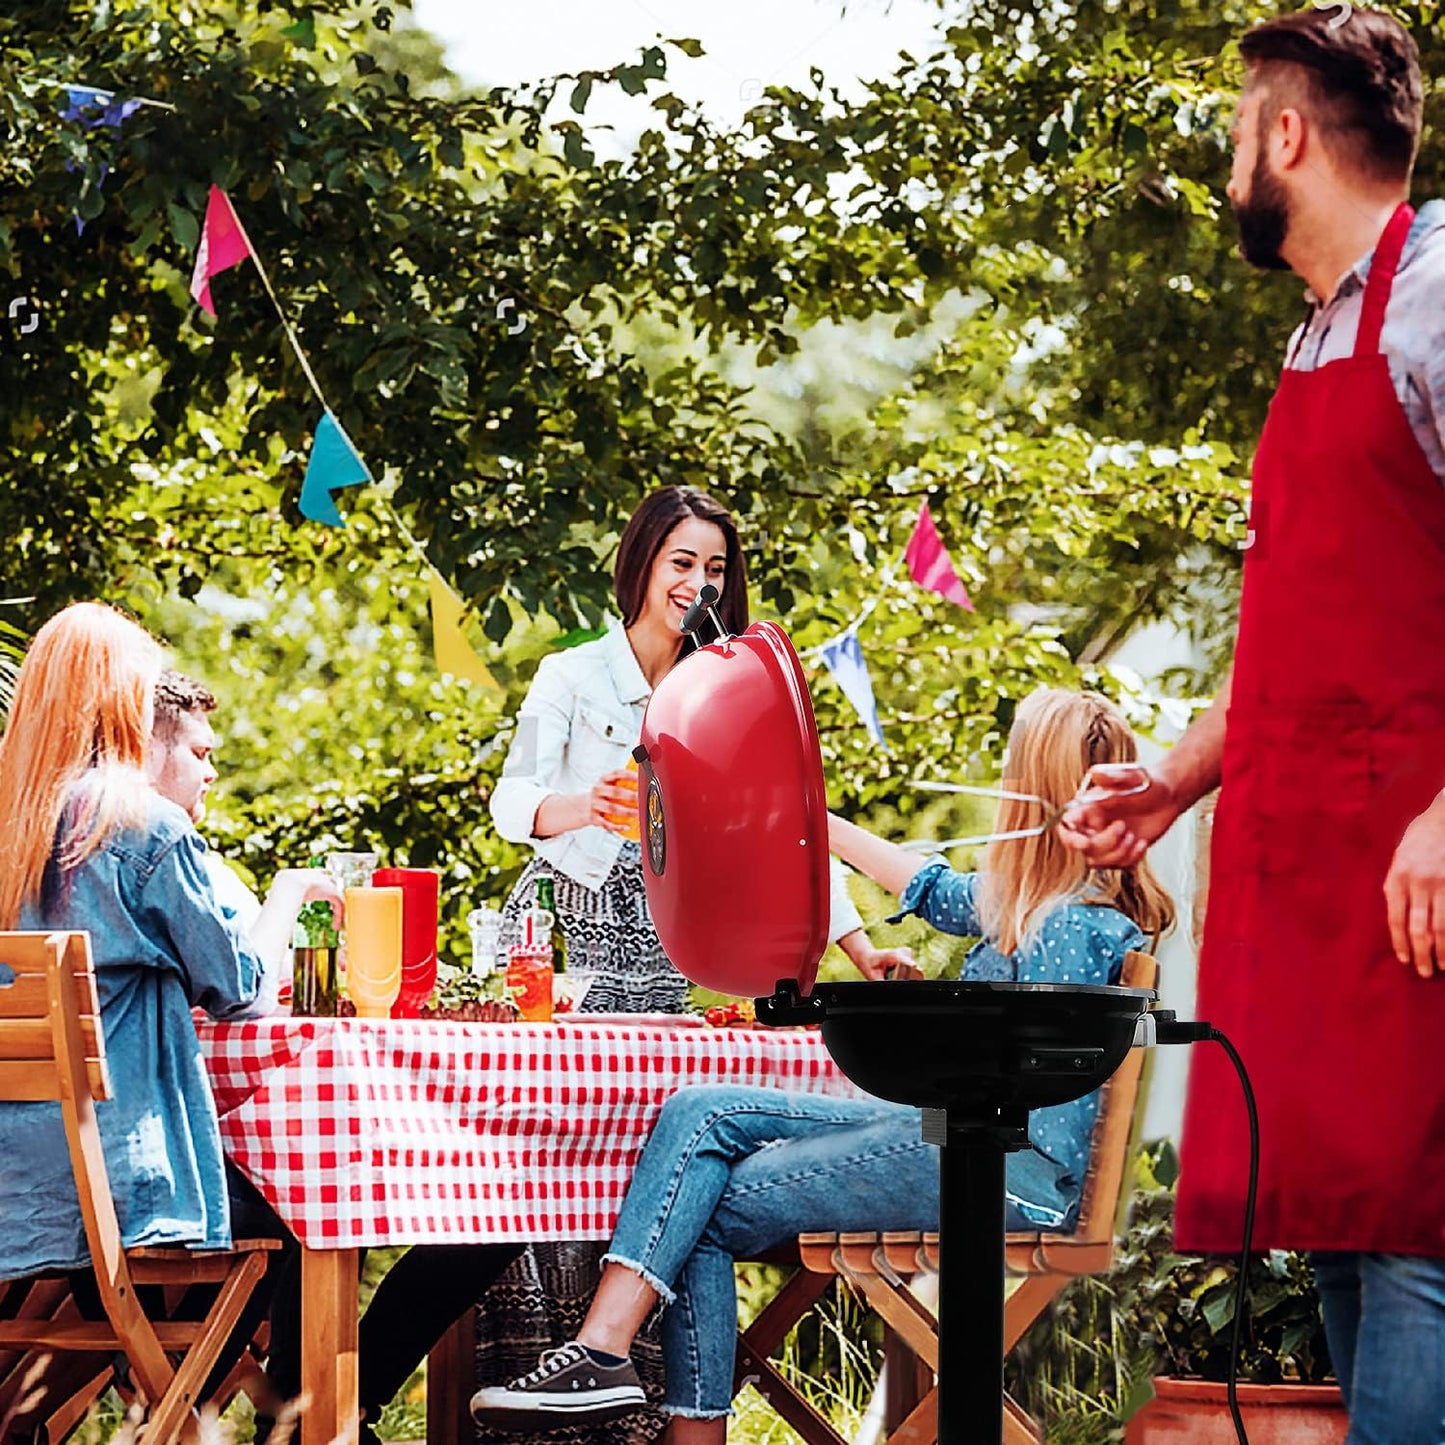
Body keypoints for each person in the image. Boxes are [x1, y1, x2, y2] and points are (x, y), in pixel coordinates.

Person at [1058, 11, 1445, 1442]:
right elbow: (1304, 631)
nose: (1229, 166)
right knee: (1340, 1221)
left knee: (1416, 1235)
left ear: (1284, 135)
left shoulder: (1434, 293)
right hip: (1311, 859)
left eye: (1237, 135)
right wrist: (1173, 778)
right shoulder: (1317, 332)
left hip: (1414, 861)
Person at [470, 688, 1174, 1436]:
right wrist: (811, 817)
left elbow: (1042, 1122)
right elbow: (932, 889)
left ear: (1033, 788)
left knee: (695, 1204)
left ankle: (611, 1362)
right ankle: (601, 1353)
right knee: (698, 1109)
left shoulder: (1065, 925)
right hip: (951, 1136)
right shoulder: (1041, 904)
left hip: (995, 1171)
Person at [466, 485, 912, 1441]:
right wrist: (583, 805)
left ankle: (621, 1393)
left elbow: (786, 834)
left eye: (714, 567)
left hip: (665, 937)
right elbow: (510, 801)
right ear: (641, 565)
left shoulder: (728, 691)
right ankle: (546, 1397)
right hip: (567, 931)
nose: (698, 583)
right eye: (681, 562)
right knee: (551, 1168)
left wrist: (859, 946)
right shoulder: (570, 674)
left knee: (642, 1153)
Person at [0, 603, 336, 1433]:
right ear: (119, 700)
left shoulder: (14, 826)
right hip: (120, 1188)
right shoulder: (137, 826)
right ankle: (246, 1423)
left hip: (19, 1191)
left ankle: (161, 1400)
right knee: (310, 1213)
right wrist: (288, 892)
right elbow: (242, 987)